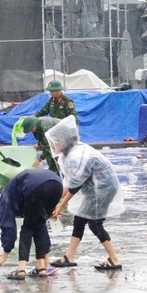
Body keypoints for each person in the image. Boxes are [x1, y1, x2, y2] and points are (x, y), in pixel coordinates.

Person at [45, 116, 125, 272]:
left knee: (95, 224)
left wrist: (61, 206)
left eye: (53, 142)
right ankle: (69, 256)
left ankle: (114, 259)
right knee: (79, 220)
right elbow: (69, 182)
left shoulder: (76, 156)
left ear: (63, 142)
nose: (51, 146)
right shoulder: (70, 153)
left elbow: (75, 186)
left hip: (101, 189)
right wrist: (56, 202)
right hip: (94, 188)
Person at [0, 167, 66, 280]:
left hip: (36, 186)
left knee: (27, 227)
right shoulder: (14, 191)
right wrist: (46, 257)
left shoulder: (3, 198)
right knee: (39, 224)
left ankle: (21, 269)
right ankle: (41, 267)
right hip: (57, 184)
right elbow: (41, 228)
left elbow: (8, 228)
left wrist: (4, 256)